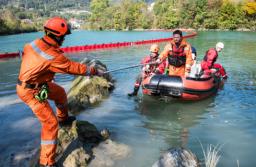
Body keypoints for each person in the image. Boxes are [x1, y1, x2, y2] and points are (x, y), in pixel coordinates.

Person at [16, 17, 102, 167]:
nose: (64, 39)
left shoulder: (35, 43)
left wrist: (42, 75)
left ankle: (63, 119)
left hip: (39, 85)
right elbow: (72, 68)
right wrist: (93, 71)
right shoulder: (53, 56)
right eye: (63, 36)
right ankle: (46, 162)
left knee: (60, 93)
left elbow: (28, 55)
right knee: (50, 123)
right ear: (57, 35)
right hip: (29, 91)